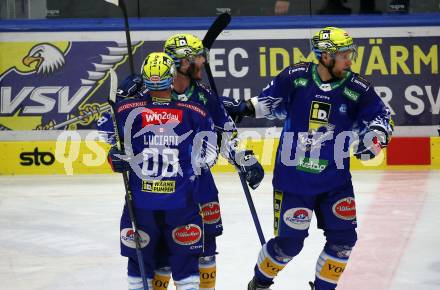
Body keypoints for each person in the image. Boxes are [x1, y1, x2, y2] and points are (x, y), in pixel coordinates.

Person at [221, 27, 394, 290]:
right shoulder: (297, 76)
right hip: (293, 182)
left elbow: (381, 119)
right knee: (290, 244)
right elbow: (269, 101)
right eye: (344, 55)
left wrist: (376, 136)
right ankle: (260, 281)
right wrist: (244, 107)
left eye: (350, 54)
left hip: (336, 181)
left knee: (344, 240)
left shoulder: (358, 87)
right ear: (325, 57)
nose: (350, 60)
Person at [104, 33, 264, 290]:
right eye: (198, 57)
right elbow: (112, 128)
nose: (204, 61)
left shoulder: (204, 96)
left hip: (198, 183)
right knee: (159, 255)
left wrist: (244, 160)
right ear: (180, 63)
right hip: (155, 185)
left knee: (205, 247)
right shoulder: (141, 91)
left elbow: (226, 132)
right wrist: (116, 149)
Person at [103, 51, 219, 290]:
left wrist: (115, 155)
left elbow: (109, 136)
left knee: (140, 265)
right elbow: (208, 156)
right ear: (172, 75)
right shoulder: (194, 111)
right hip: (182, 203)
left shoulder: (126, 109)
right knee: (186, 267)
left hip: (141, 203)